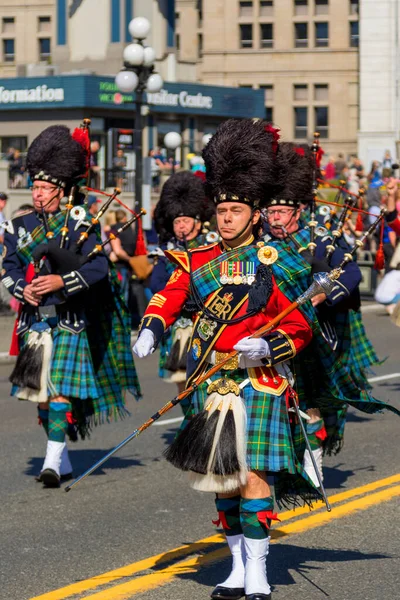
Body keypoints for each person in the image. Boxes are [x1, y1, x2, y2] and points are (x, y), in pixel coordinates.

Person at [134, 119, 319, 600]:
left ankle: (258, 574)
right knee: (223, 479)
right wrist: (151, 328)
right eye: (222, 210)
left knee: (254, 476)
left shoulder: (276, 259)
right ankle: (236, 567)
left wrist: (268, 346)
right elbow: (168, 297)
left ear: (254, 214)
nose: (227, 219)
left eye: (236, 210)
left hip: (258, 380)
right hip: (211, 380)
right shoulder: (196, 260)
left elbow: (300, 327)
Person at [1, 124, 141, 488]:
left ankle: (50, 463)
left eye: (45, 188)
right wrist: (23, 291)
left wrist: (62, 281)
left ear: (61, 191)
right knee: (42, 398)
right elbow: (8, 268)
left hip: (69, 320)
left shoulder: (80, 224)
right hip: (34, 321)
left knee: (59, 388)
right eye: (35, 186)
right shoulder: (19, 226)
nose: (38, 192)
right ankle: (60, 459)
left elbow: (99, 267)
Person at [263, 142, 384, 484]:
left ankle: (312, 469)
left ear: (297, 212)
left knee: (309, 402)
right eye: (270, 212)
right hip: (269, 335)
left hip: (314, 335)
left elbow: (351, 274)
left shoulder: (319, 239)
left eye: (281, 212)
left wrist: (322, 294)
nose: (275, 218)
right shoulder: (259, 245)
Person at [151, 171, 216, 400]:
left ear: (198, 222)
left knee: (205, 384)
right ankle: (189, 425)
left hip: (205, 321)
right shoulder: (167, 249)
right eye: (177, 221)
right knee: (181, 384)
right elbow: (156, 282)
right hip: (177, 322)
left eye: (185, 221)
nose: (180, 226)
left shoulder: (212, 247)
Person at [110, 209, 149, 328]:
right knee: (126, 296)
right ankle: (125, 323)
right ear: (125, 218)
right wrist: (132, 260)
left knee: (119, 297)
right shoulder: (131, 230)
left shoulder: (115, 229)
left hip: (118, 267)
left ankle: (119, 324)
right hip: (128, 268)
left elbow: (117, 251)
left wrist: (128, 259)